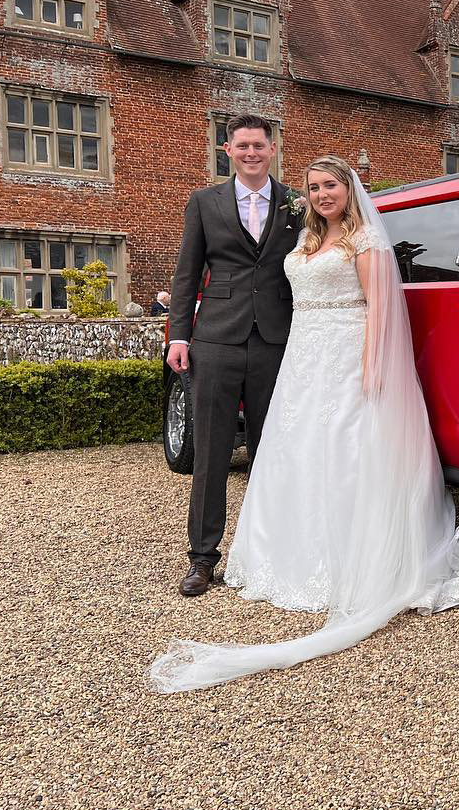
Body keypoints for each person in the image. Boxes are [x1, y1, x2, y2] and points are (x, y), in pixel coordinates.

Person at [148, 156, 459, 692]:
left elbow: (382, 309)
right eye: (314, 187)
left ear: (349, 188)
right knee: (295, 454)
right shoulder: (304, 237)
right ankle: (285, 556)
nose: (321, 194)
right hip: (300, 357)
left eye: (331, 186)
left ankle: (351, 562)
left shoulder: (366, 240)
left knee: (346, 454)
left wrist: (373, 365)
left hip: (346, 356)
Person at [166, 114, 298, 597]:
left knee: (272, 453)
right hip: (216, 340)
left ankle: (271, 552)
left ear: (272, 148)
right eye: (241, 146)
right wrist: (179, 336)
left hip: (276, 340)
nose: (251, 153)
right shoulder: (204, 202)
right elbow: (187, 273)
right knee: (212, 452)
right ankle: (202, 558)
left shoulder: (296, 204)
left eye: (259, 146)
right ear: (228, 149)